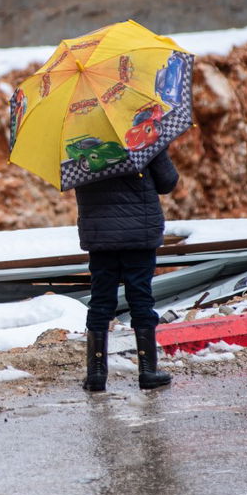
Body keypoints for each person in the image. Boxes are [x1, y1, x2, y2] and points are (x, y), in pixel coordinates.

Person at [74, 150, 179, 392]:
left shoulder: (77, 145)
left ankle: (96, 374)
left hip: (100, 234)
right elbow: (168, 181)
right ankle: (148, 371)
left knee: (100, 300)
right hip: (139, 232)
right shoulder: (143, 140)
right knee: (141, 297)